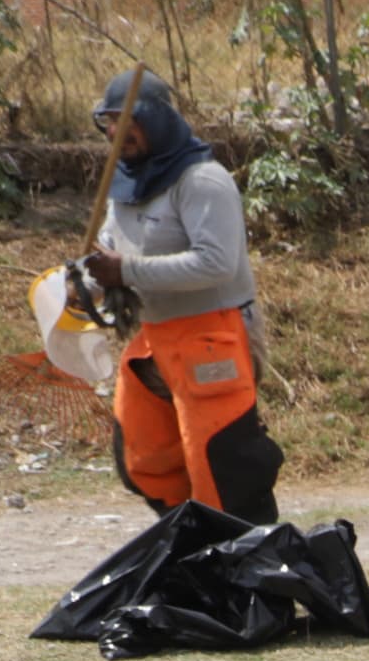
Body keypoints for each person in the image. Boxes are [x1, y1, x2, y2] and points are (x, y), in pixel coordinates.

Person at [79, 74, 285, 530]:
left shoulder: (202, 181)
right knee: (145, 459)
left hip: (216, 335)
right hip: (156, 339)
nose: (116, 133)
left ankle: (250, 555)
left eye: (126, 121)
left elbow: (216, 263)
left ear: (156, 119)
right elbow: (109, 251)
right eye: (108, 123)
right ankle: (194, 540)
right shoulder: (124, 186)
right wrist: (81, 284)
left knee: (223, 463)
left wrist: (126, 271)